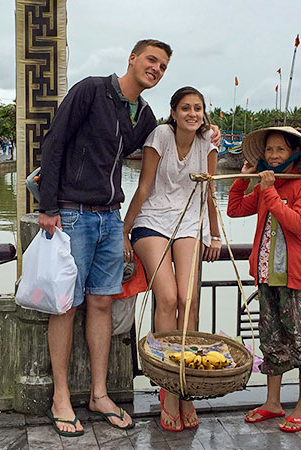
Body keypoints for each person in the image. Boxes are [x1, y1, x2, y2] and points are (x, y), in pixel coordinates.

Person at [36, 40, 220, 437]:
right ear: (133, 59)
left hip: (109, 216)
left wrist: (205, 129)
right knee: (65, 305)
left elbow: (166, 142)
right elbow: (55, 142)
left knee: (102, 302)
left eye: (163, 65)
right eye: (151, 60)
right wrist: (48, 207)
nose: (156, 68)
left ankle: (100, 394)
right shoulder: (91, 90)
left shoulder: (143, 114)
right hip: (72, 212)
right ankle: (61, 397)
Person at [121, 86, 221, 432]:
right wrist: (124, 229)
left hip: (189, 222)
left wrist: (215, 234)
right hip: (152, 220)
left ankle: (187, 382)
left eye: (198, 108)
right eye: (185, 109)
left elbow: (209, 192)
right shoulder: (160, 135)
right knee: (167, 296)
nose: (192, 114)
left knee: (189, 299)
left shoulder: (208, 143)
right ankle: (167, 387)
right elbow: (145, 186)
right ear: (174, 112)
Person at [226, 126, 301, 433]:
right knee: (273, 342)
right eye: (268, 150)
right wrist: (245, 177)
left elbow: (297, 223)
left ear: (294, 153)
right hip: (269, 276)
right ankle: (272, 402)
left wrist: (269, 191)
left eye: (280, 150)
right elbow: (233, 209)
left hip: (299, 277)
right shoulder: (265, 185)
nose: (272, 155)